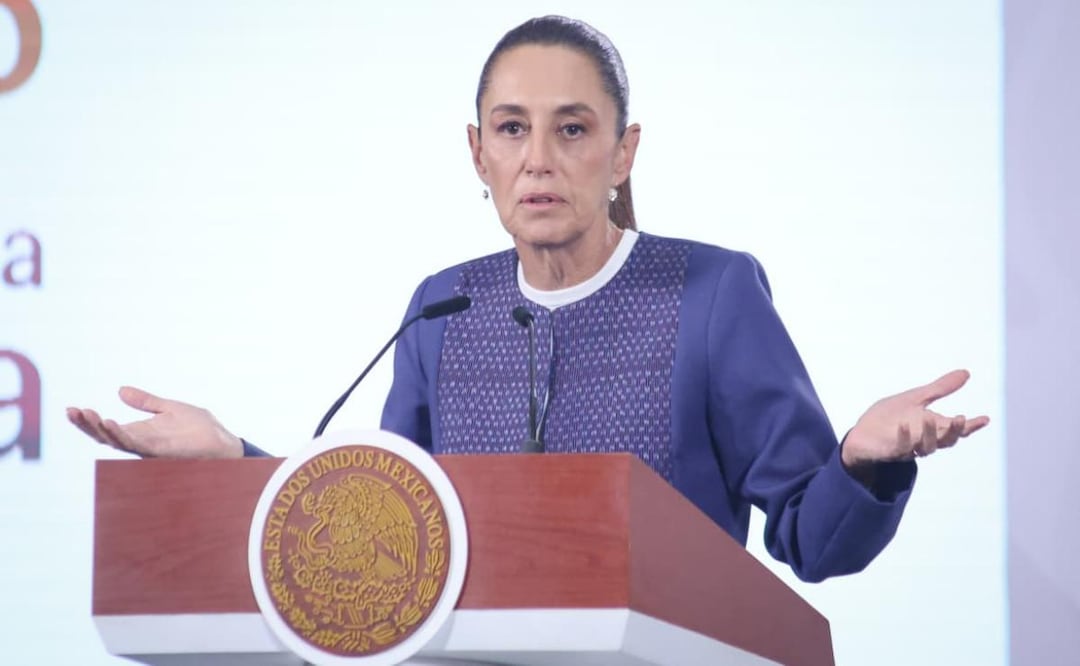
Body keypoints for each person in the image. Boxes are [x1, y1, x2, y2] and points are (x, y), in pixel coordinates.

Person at [67, 15, 988, 583]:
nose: (538, 159)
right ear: (478, 154)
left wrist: (861, 463)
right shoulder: (442, 308)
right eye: (512, 130)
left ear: (623, 152)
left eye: (572, 129)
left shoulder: (711, 293)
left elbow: (814, 544)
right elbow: (384, 523)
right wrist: (232, 459)